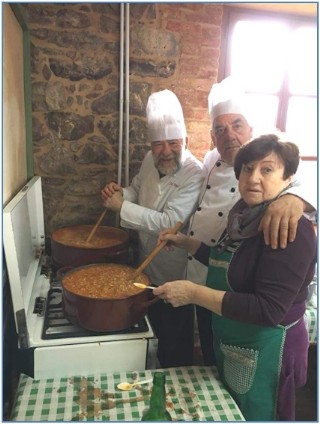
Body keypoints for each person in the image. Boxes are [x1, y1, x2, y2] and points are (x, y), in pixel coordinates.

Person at [154, 134, 317, 421]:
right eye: (247, 168)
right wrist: (187, 243)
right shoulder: (243, 214)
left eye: (267, 169)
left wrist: (193, 294)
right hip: (238, 344)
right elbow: (229, 265)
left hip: (269, 350)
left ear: (288, 177)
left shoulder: (289, 228)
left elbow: (268, 310)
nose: (253, 177)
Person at [186, 76, 315, 365]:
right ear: (212, 137)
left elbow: (268, 309)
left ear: (251, 128)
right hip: (222, 301)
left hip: (265, 341)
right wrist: (187, 243)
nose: (229, 135)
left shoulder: (287, 219)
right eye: (220, 129)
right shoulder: (216, 174)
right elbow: (233, 259)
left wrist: (297, 199)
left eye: (237, 125)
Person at [101, 89, 203, 367]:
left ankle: (176, 385)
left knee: (175, 334)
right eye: (158, 144)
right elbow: (137, 188)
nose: (165, 151)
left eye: (173, 142)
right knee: (151, 330)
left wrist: (121, 207)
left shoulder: (194, 173)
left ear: (184, 139)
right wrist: (121, 192)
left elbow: (169, 223)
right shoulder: (150, 159)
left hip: (174, 268)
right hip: (146, 264)